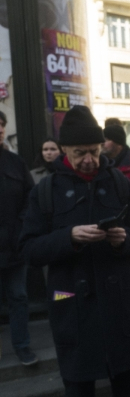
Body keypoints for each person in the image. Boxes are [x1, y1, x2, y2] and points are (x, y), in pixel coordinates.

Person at [19, 105, 130, 394]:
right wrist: (68, 237)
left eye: (95, 151)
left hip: (120, 308)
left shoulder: (118, 182)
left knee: (126, 385)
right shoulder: (45, 190)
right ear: (64, 149)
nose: (90, 160)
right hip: (73, 310)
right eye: (80, 153)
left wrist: (124, 239)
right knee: (78, 387)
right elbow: (29, 250)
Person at [0, 110, 38, 366]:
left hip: (13, 247)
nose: (0, 130)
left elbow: (29, 198)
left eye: (1, 126)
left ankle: (22, 347)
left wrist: (21, 228)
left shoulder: (15, 162)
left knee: (18, 297)